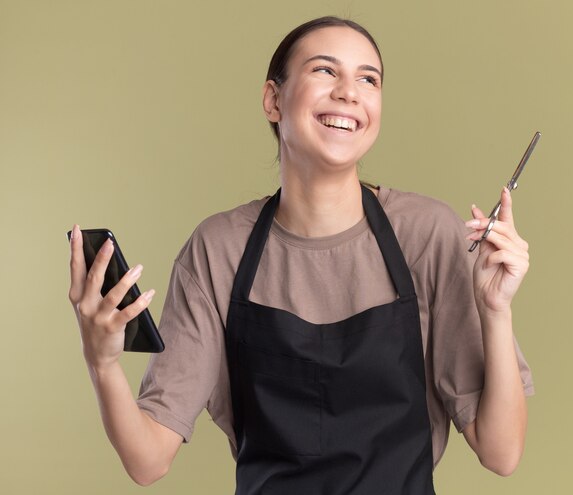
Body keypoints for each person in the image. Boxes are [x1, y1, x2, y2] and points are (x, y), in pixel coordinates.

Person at [68, 16, 534, 494]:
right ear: (273, 100)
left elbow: (501, 452)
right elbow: (148, 461)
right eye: (325, 71)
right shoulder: (218, 248)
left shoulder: (427, 233)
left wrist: (495, 311)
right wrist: (101, 362)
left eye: (368, 79)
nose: (349, 93)